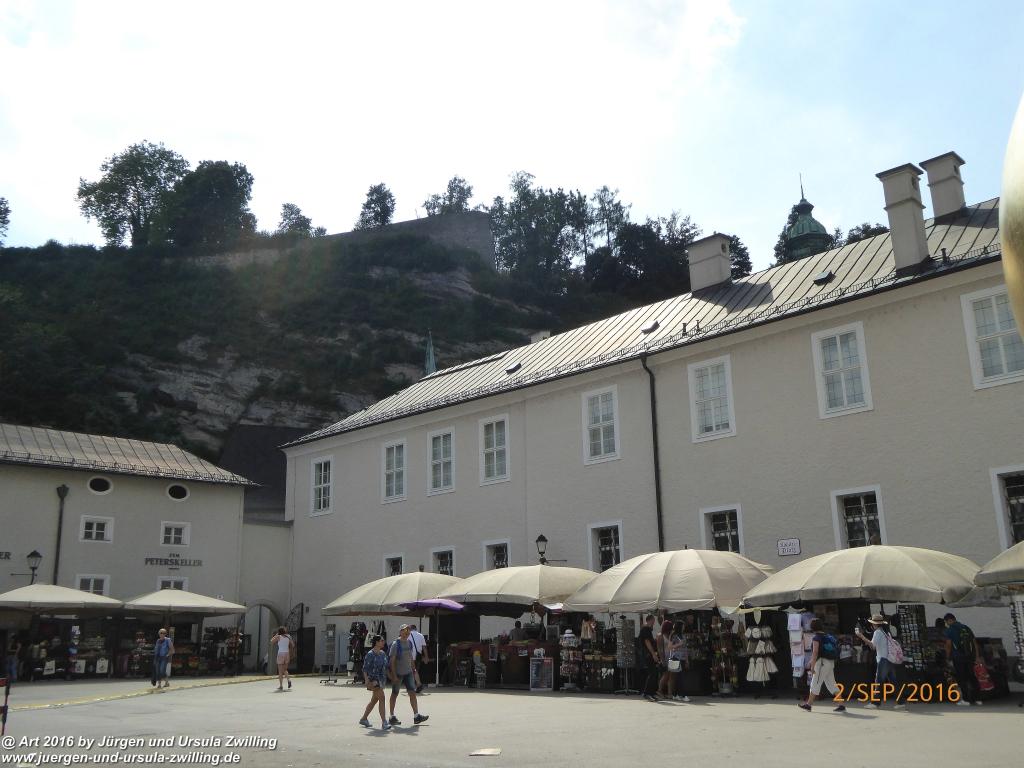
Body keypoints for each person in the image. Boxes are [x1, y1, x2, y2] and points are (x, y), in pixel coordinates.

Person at [855, 613, 904, 710]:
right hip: (889, 659)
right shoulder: (885, 632)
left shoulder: (877, 632)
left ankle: (875, 703)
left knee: (879, 681)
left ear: (874, 624)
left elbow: (872, 646)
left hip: (883, 659)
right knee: (893, 681)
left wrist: (861, 636)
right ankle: (901, 702)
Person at [799, 618, 845, 712]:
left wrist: (812, 666)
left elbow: (815, 652)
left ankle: (808, 705)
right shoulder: (828, 636)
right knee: (832, 684)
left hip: (821, 664)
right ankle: (841, 705)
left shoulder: (816, 637)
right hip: (830, 662)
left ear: (812, 627)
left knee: (815, 683)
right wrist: (811, 661)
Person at [388, 624, 428, 725]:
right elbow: (392, 661)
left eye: (408, 632)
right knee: (394, 694)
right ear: (400, 632)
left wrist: (413, 669)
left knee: (412, 693)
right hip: (398, 673)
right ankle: (391, 716)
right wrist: (394, 676)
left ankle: (416, 716)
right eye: (405, 631)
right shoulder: (395, 644)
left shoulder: (409, 643)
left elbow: (410, 657)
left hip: (408, 672)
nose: (406, 634)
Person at [943, 613, 982, 706]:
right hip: (970, 657)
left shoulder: (950, 630)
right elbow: (974, 643)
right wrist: (976, 656)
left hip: (958, 657)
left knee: (962, 678)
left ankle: (965, 699)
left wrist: (947, 657)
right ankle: (977, 699)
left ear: (949, 620)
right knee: (972, 677)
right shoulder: (966, 628)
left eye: (946, 622)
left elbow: (948, 645)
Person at [359, 635, 391, 730]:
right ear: (376, 642)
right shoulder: (370, 654)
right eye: (381, 640)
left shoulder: (382, 653)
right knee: (382, 697)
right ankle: (384, 722)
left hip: (381, 680)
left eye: (383, 640)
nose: (383, 642)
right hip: (373, 680)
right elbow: (365, 669)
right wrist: (366, 680)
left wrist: (392, 678)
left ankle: (364, 718)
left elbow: (385, 668)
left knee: (374, 701)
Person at [656, 620, 683, 700]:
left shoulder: (671, 635)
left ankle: (669, 693)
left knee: (672, 676)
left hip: (672, 657)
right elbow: (660, 649)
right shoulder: (660, 636)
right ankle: (659, 691)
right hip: (665, 658)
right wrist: (662, 660)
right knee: (666, 675)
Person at [637, 615, 660, 702]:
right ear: (650, 620)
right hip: (648, 655)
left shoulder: (647, 629)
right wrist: (653, 654)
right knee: (652, 673)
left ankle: (651, 693)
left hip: (648, 654)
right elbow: (647, 642)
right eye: (653, 621)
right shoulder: (645, 629)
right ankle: (647, 693)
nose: (654, 623)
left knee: (654, 673)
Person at [270, 626, 294, 691]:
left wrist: (276, 635)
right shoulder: (289, 636)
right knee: (285, 669)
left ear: (279, 632)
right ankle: (288, 680)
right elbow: (292, 645)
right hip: (287, 653)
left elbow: (271, 641)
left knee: (280, 671)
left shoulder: (279, 637)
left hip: (280, 653)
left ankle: (281, 686)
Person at [409, 625, 430, 693]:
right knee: (415, 670)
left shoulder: (408, 635)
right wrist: (426, 657)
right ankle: (416, 685)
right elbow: (424, 647)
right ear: (416, 629)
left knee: (413, 671)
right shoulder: (421, 635)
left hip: (410, 656)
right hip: (418, 656)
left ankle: (418, 684)